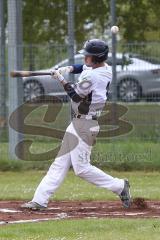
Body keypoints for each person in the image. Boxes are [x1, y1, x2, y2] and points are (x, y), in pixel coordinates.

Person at [21, 39, 131, 210]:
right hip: (78, 123)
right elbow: (82, 67)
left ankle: (119, 186)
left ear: (95, 58)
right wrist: (69, 68)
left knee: (81, 169)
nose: (85, 57)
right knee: (60, 163)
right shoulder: (103, 67)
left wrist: (61, 79)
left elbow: (75, 96)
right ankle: (39, 200)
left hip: (85, 125)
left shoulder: (93, 76)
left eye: (88, 55)